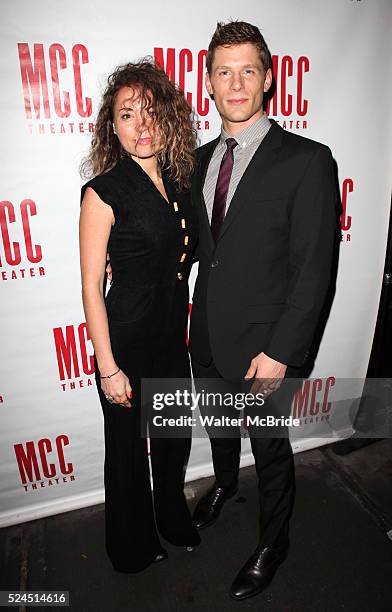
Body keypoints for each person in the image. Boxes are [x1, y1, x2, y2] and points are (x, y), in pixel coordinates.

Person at [189, 21, 338, 600]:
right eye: (224, 71)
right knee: (219, 427)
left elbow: (314, 269)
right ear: (208, 81)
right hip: (205, 333)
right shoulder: (198, 161)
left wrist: (280, 351)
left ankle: (274, 540)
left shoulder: (307, 160)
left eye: (248, 69)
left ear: (268, 78)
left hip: (265, 346)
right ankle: (225, 484)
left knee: (270, 450)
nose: (236, 82)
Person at [79, 59, 200, 574]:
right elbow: (90, 285)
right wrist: (108, 368)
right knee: (128, 452)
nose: (141, 125)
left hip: (172, 335)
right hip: (125, 340)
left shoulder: (180, 183)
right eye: (128, 114)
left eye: (151, 112)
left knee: (173, 437)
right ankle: (132, 544)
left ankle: (171, 516)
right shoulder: (102, 191)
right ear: (113, 124)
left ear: (167, 117)